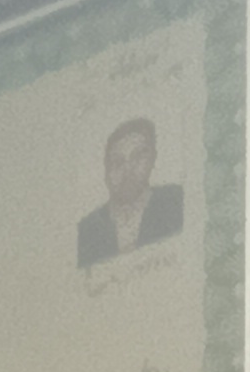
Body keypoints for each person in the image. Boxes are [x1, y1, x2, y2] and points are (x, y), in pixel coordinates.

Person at [78, 112, 185, 264]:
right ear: (106, 171)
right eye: (117, 162)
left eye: (137, 157)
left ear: (152, 160)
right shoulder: (87, 229)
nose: (128, 171)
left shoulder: (175, 202)